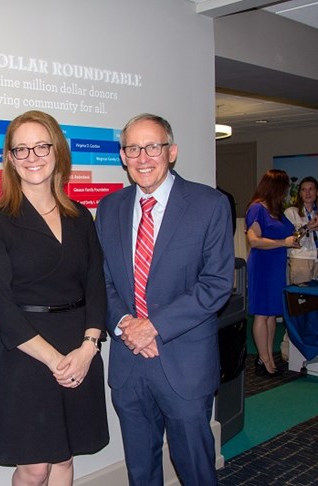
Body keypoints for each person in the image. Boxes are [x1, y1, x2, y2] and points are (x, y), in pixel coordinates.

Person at [95, 113, 234, 485]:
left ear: (171, 152)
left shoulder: (209, 204)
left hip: (184, 363)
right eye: (133, 148)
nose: (143, 157)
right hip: (129, 363)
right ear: (122, 156)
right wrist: (127, 325)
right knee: (141, 472)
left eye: (152, 147)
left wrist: (153, 328)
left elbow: (216, 283)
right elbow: (102, 280)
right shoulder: (110, 208)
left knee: (195, 469)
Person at [0, 110, 109, 485]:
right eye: (21, 150)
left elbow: (96, 284)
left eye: (41, 146)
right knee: (34, 467)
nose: (32, 157)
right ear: (10, 159)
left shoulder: (81, 216)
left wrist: (87, 348)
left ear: (57, 151)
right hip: (27, 353)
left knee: (65, 459)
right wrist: (55, 360)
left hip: (79, 347)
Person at [245, 169, 300, 377]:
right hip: (262, 266)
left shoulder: (277, 211)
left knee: (270, 315)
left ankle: (267, 357)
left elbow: (290, 233)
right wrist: (282, 243)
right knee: (261, 313)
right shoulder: (257, 209)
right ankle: (264, 358)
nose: (286, 193)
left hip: (276, 266)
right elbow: (254, 240)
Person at [284, 177, 318, 284]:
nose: (307, 193)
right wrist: (307, 227)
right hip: (301, 259)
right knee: (302, 298)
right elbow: (290, 239)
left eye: (311, 189)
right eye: (303, 190)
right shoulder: (291, 212)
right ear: (300, 193)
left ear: (317, 192)